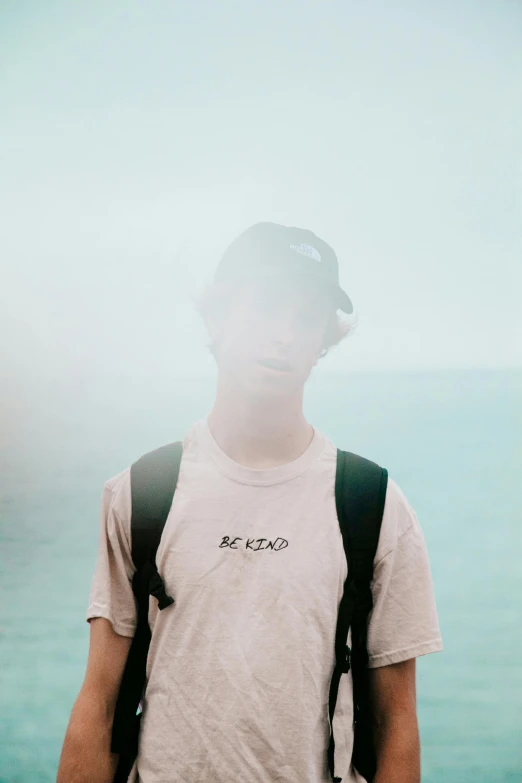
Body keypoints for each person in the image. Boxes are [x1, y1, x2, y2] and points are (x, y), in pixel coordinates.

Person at [57, 222, 443, 783]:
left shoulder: (373, 505)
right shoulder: (143, 492)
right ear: (217, 316)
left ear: (324, 341)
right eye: (263, 308)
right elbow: (98, 703)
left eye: (306, 317)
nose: (283, 334)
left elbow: (397, 725)